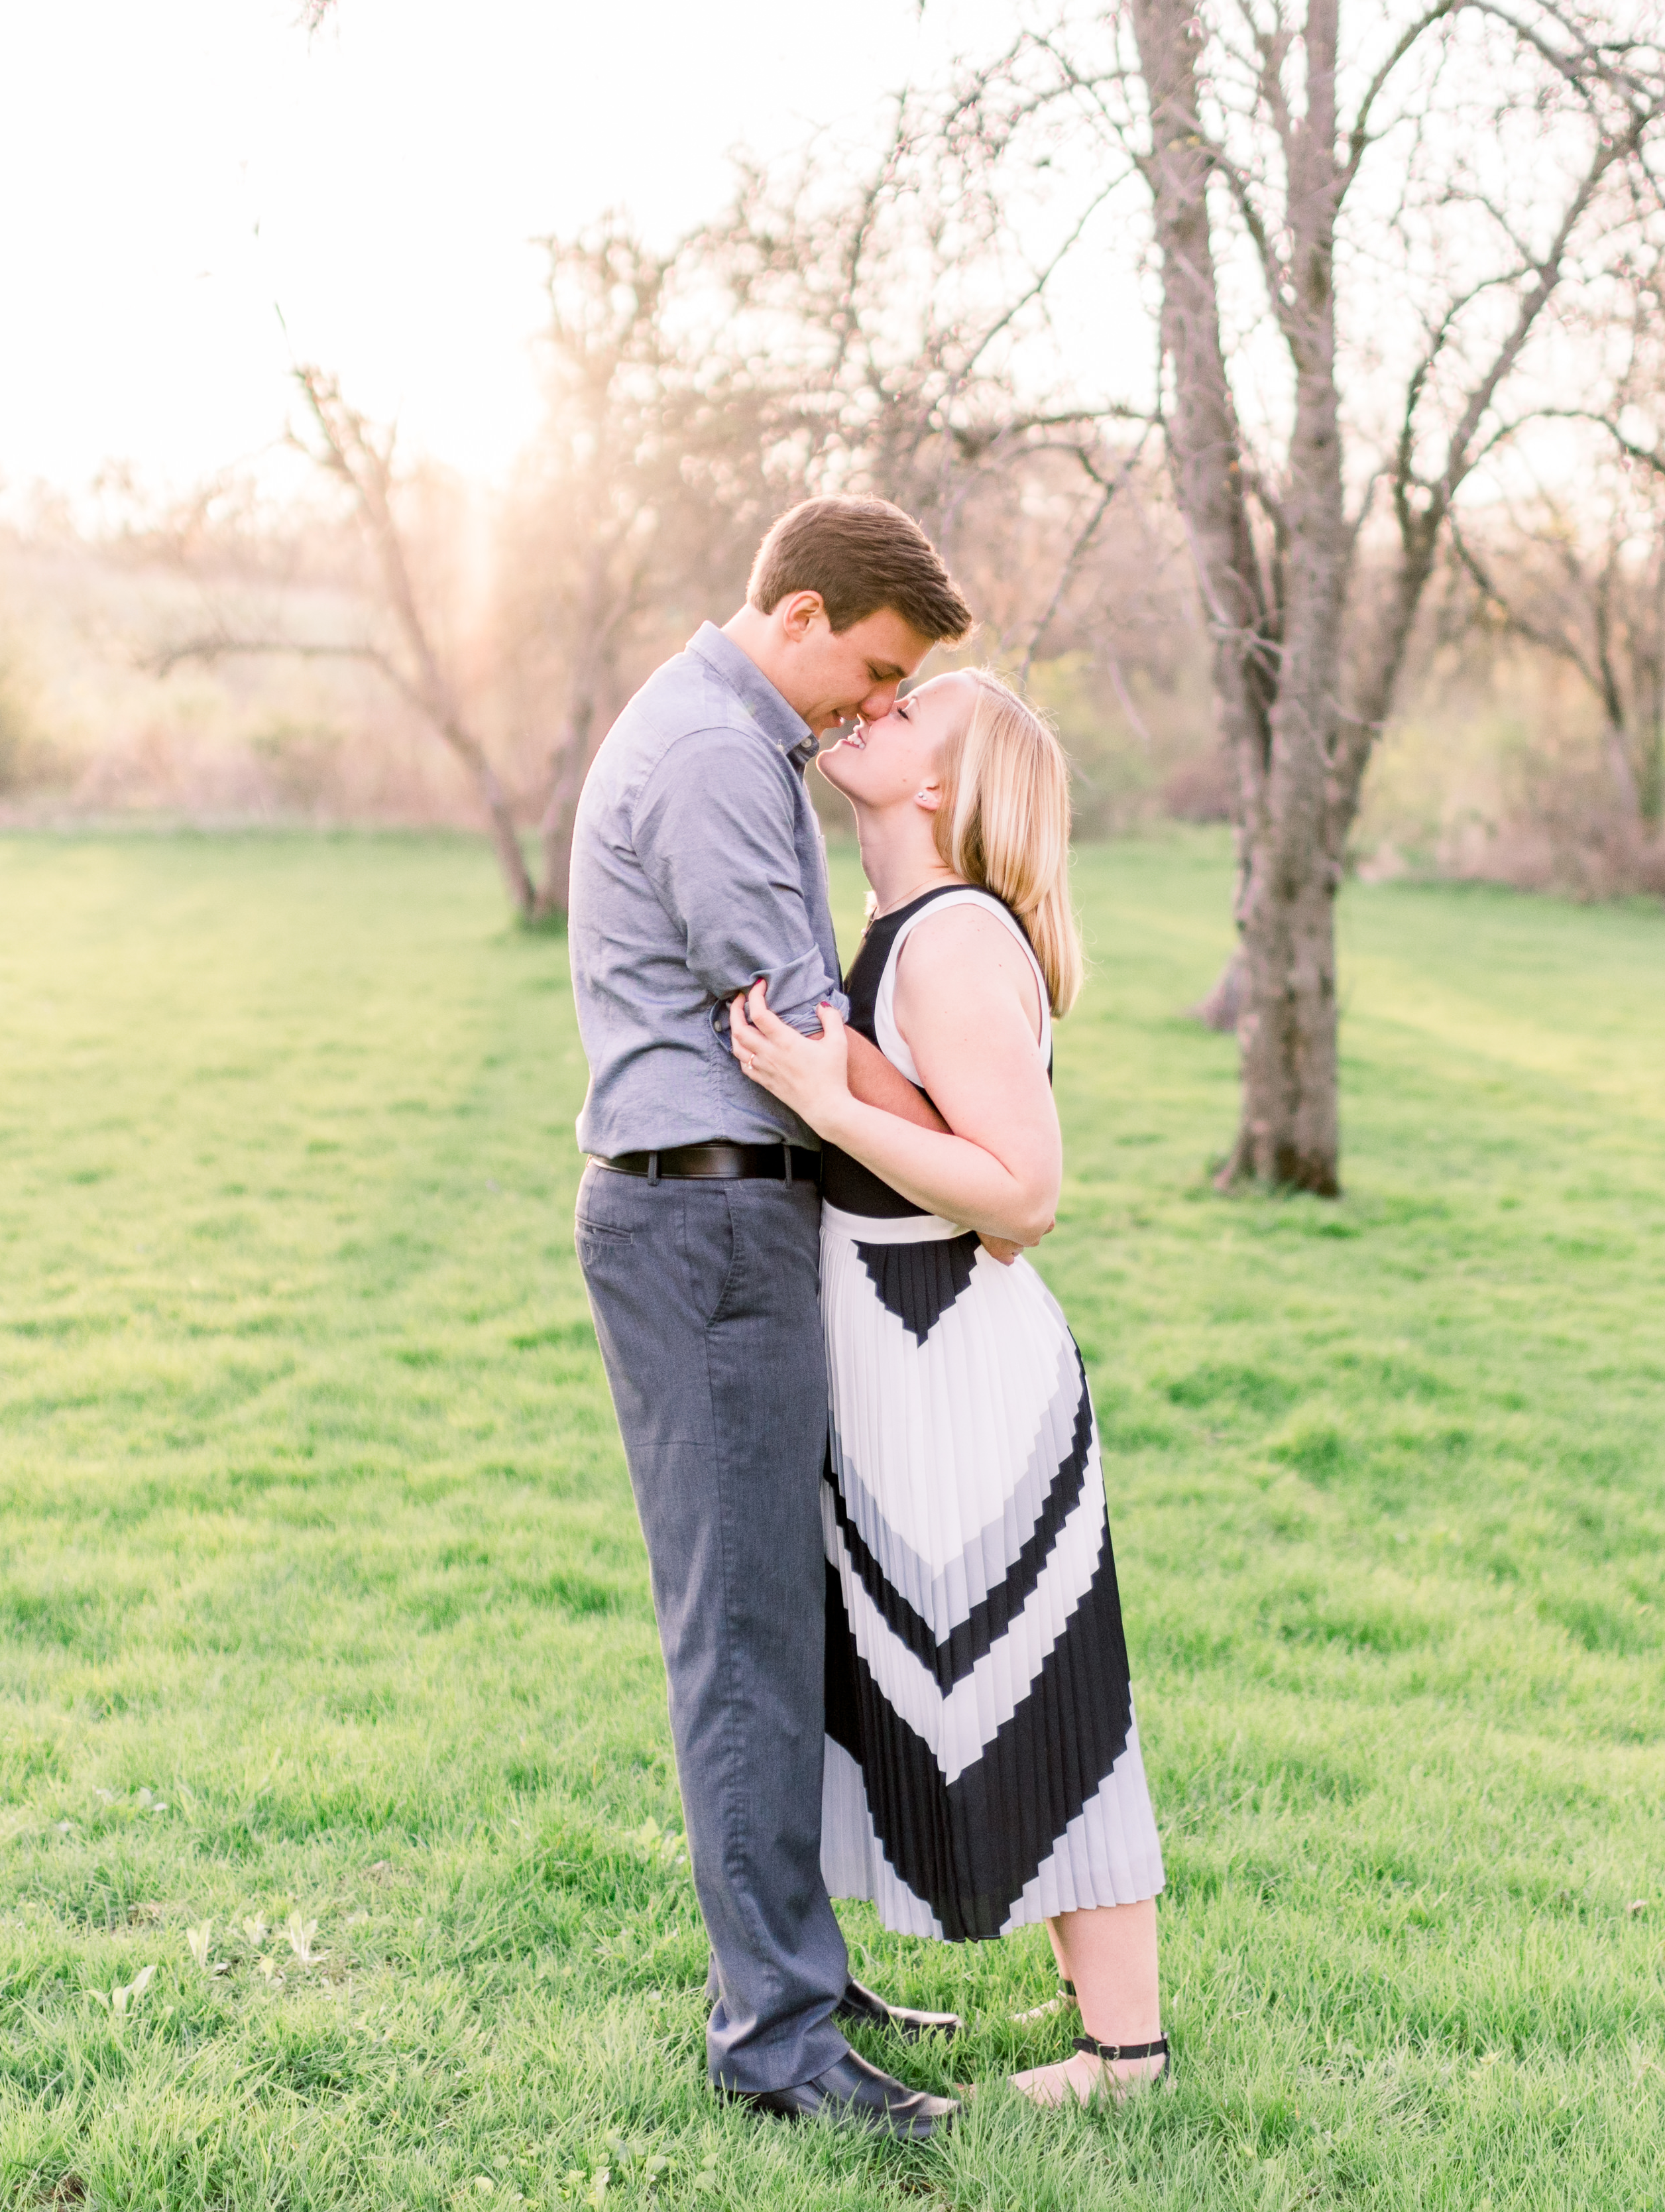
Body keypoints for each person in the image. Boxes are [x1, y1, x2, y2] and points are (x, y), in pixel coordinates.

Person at [564, 496, 978, 2138]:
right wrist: (970, 1140)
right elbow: (790, 1019)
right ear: (796, 615)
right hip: (704, 1213)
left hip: (730, 1208)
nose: (868, 712)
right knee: (742, 1637)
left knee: (782, 1623)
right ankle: (777, 2042)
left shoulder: (740, 738)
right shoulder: (715, 755)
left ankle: (798, 1970)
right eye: (867, 674)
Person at [730, 668, 1171, 2107]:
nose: (868, 710)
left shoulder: (959, 937)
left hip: (964, 1366)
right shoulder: (900, 926)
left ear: (942, 784)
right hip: (899, 1358)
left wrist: (826, 1099)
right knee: (960, 1686)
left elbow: (1021, 1193)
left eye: (907, 709)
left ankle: (1126, 2054)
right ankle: (1089, 2011)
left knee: (1043, 1685)